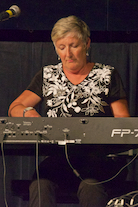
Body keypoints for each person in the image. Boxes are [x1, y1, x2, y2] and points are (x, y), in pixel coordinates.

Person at [8, 15, 130, 207]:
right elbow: (15, 107)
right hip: (59, 159)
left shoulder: (107, 75)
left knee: (91, 187)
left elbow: (123, 121)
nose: (68, 54)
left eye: (74, 46)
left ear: (87, 44)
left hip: (98, 161)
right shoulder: (48, 75)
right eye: (61, 47)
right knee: (41, 184)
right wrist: (27, 113)